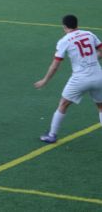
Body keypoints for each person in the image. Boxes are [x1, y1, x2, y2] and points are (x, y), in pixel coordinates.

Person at [34, 15, 102, 143]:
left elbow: (55, 65)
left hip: (80, 79)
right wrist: (90, 60)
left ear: (64, 26)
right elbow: (101, 51)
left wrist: (45, 80)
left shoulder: (64, 40)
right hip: (98, 76)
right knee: (101, 106)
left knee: (63, 104)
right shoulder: (89, 34)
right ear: (77, 24)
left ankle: (52, 135)